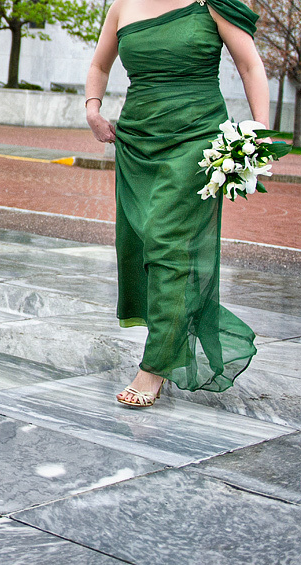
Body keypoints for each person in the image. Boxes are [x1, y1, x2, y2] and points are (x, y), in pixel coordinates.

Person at [85, 0, 269, 406]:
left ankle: (154, 367)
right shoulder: (122, 6)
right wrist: (92, 108)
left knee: (166, 240)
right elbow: (99, 65)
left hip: (196, 138)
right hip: (137, 140)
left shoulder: (212, 5)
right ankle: (171, 340)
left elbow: (250, 66)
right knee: (140, 243)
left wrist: (258, 131)